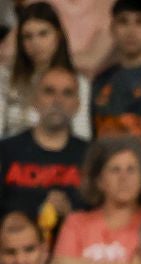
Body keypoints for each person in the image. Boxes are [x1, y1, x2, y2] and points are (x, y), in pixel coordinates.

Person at [49, 134, 141, 264]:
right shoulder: (76, 222)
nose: (123, 178)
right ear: (99, 181)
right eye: (115, 170)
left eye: (131, 170)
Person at [0, 68, 88, 218]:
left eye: (67, 93)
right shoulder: (6, 150)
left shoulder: (91, 155)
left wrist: (71, 215)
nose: (58, 101)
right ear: (34, 100)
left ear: (77, 105)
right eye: (49, 91)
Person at [0, 4, 92, 139]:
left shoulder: (78, 81)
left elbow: (82, 134)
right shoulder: (5, 77)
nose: (35, 42)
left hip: (58, 155)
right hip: (10, 154)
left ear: (58, 35)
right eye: (27, 36)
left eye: (43, 34)